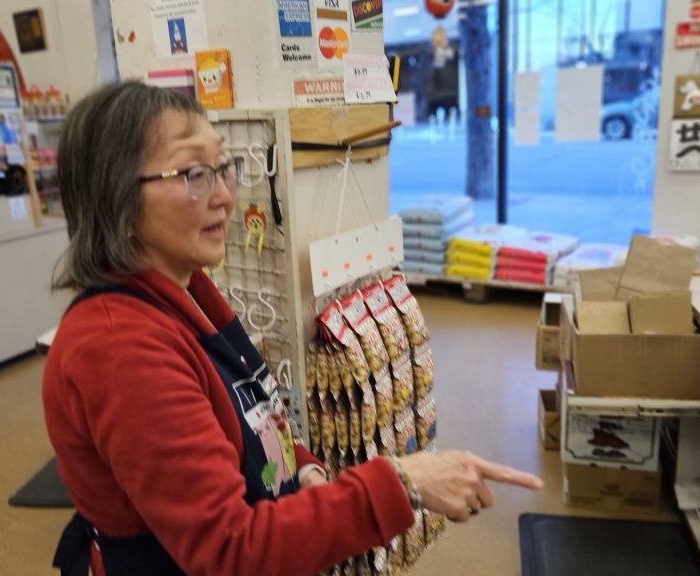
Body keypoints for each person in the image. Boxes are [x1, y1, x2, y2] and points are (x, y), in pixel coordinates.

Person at [42, 80, 542, 576]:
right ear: (117, 199)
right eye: (195, 173)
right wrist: (401, 482)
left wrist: (302, 467)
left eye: (224, 168)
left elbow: (256, 420)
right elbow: (229, 549)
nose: (223, 196)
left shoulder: (189, 292)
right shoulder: (120, 347)